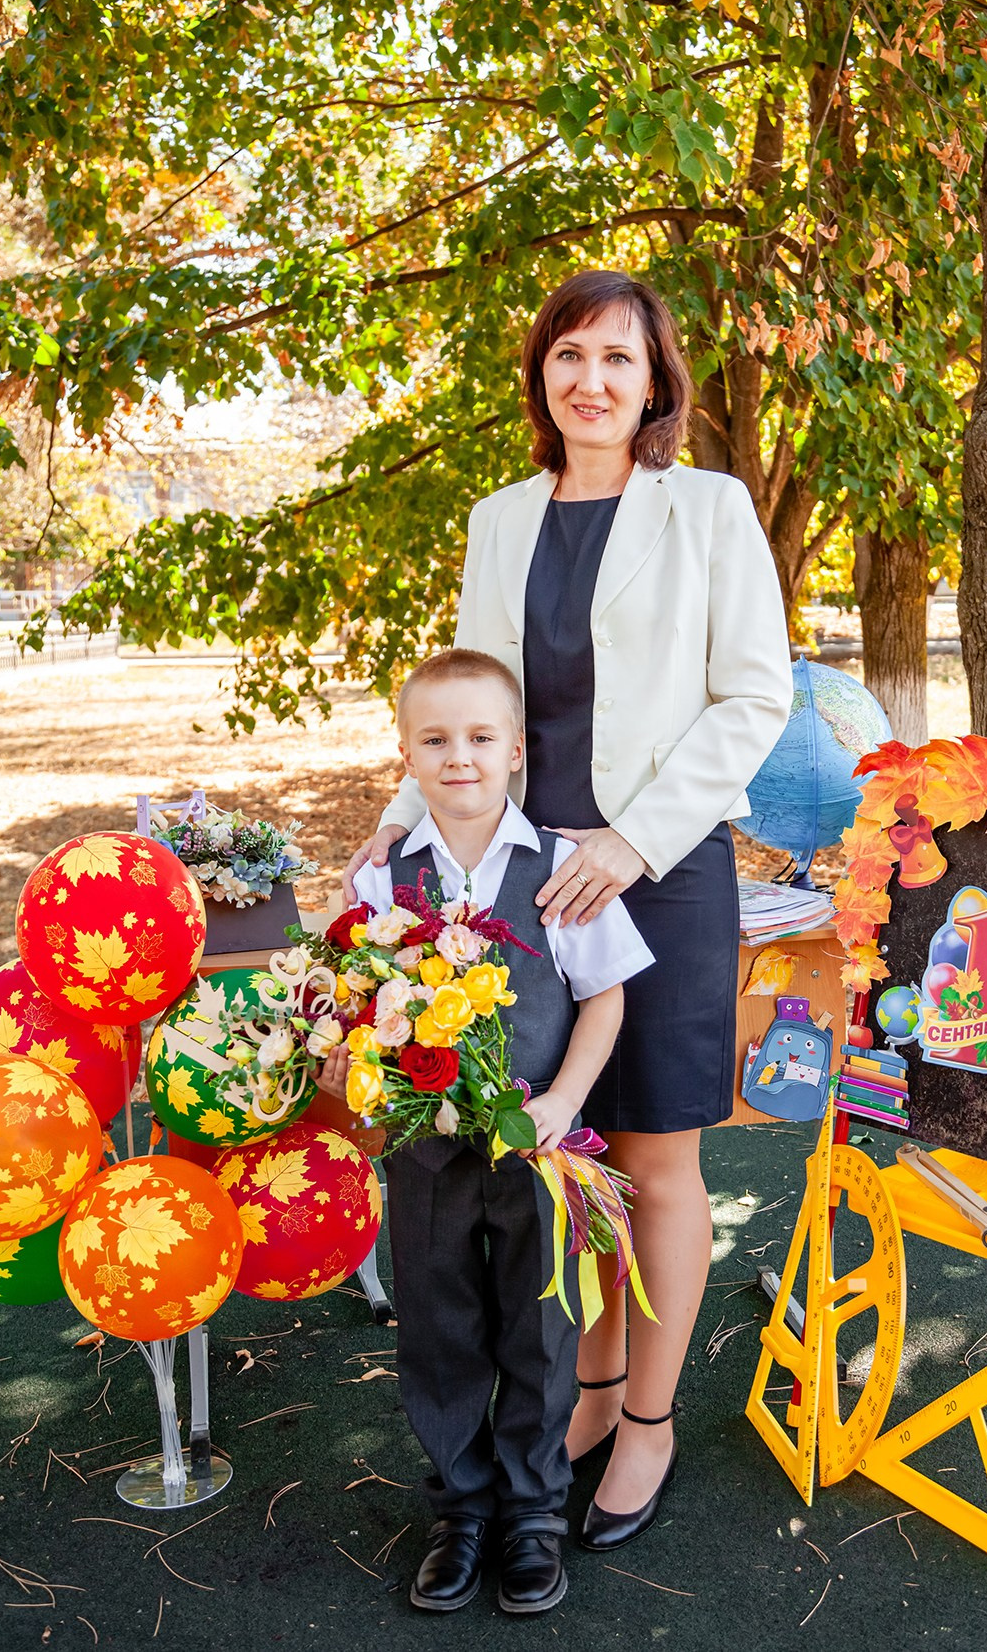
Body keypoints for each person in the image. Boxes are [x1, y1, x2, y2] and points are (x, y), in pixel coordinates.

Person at [342, 269, 793, 1550]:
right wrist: (394, 826)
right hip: (526, 885)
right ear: (541, 378)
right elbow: (473, 704)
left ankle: (644, 1419)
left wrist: (633, 842)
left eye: (616, 357)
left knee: (653, 1158)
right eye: (566, 356)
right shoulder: (499, 521)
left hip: (661, 869)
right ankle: (583, 1392)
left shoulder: (706, 509)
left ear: (655, 383)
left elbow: (752, 699)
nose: (589, 379)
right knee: (556, 1158)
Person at [320, 646, 653, 1616]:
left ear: (514, 749)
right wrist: (354, 1056)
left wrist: (560, 1101)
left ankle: (532, 1513)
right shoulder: (385, 881)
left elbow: (604, 1000)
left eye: (477, 737)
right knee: (437, 1324)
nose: (456, 756)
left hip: (538, 1154)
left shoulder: (560, 870)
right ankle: (460, 1509)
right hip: (426, 1154)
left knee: (539, 1331)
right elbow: (355, 1001)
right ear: (406, 753)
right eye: (434, 738)